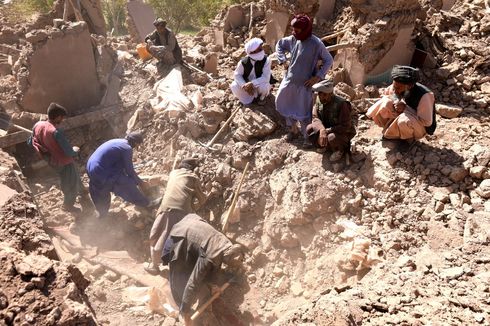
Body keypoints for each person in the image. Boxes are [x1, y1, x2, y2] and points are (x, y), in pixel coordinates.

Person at [161, 214, 243, 326]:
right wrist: (185, 312)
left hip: (192, 223)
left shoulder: (227, 245)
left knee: (200, 268)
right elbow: (192, 284)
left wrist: (212, 285)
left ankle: (184, 304)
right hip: (180, 234)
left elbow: (215, 266)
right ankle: (180, 307)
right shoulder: (210, 257)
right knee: (178, 276)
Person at [275, 14, 334, 144]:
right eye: (293, 30)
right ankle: (293, 130)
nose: (293, 32)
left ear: (305, 29)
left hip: (305, 85)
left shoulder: (316, 43)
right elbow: (279, 45)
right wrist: (283, 60)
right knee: (284, 103)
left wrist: (317, 77)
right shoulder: (293, 39)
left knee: (304, 112)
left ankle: (307, 137)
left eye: (297, 30)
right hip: (289, 81)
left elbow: (328, 60)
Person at [145, 158, 206, 275]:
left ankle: (154, 265)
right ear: (193, 169)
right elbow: (202, 199)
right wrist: (195, 205)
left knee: (156, 235)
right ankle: (180, 270)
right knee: (175, 241)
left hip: (164, 209)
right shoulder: (194, 177)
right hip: (182, 213)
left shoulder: (173, 173)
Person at [29, 103, 84, 212]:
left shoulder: (38, 125)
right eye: (62, 118)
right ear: (58, 117)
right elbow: (69, 152)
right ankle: (68, 205)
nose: (62, 120)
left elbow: (30, 141)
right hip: (63, 162)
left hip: (51, 160)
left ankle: (82, 190)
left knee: (72, 173)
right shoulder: (56, 132)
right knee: (70, 183)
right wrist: (75, 150)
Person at [86, 132, 151, 218]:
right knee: (126, 184)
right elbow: (130, 171)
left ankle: (100, 216)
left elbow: (120, 166)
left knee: (100, 192)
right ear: (135, 143)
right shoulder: (127, 148)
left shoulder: (118, 141)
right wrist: (141, 183)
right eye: (138, 145)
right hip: (101, 171)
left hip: (91, 168)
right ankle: (146, 203)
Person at [366, 65, 436, 141]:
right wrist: (395, 100)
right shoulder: (396, 85)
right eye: (394, 86)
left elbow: (426, 122)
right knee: (385, 102)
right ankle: (392, 132)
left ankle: (408, 138)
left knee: (404, 120)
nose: (395, 90)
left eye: (398, 88)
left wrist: (405, 108)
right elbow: (386, 94)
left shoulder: (424, 96)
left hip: (420, 127)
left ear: (410, 86)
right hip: (404, 116)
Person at [306, 79, 356, 161]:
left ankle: (340, 150)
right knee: (310, 129)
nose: (321, 96)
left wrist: (327, 131)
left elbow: (345, 126)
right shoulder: (319, 100)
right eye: (319, 94)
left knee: (331, 137)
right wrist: (322, 129)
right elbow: (315, 117)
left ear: (329, 94)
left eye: (324, 95)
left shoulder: (342, 104)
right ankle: (324, 146)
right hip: (326, 128)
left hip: (341, 132)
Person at [230, 38, 272, 106]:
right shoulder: (243, 62)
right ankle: (247, 100)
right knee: (234, 85)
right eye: (258, 50)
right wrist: (244, 85)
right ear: (251, 52)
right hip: (247, 86)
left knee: (265, 86)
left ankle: (261, 98)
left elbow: (266, 77)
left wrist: (252, 83)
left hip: (259, 83)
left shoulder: (266, 60)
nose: (261, 51)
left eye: (261, 49)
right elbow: (237, 75)